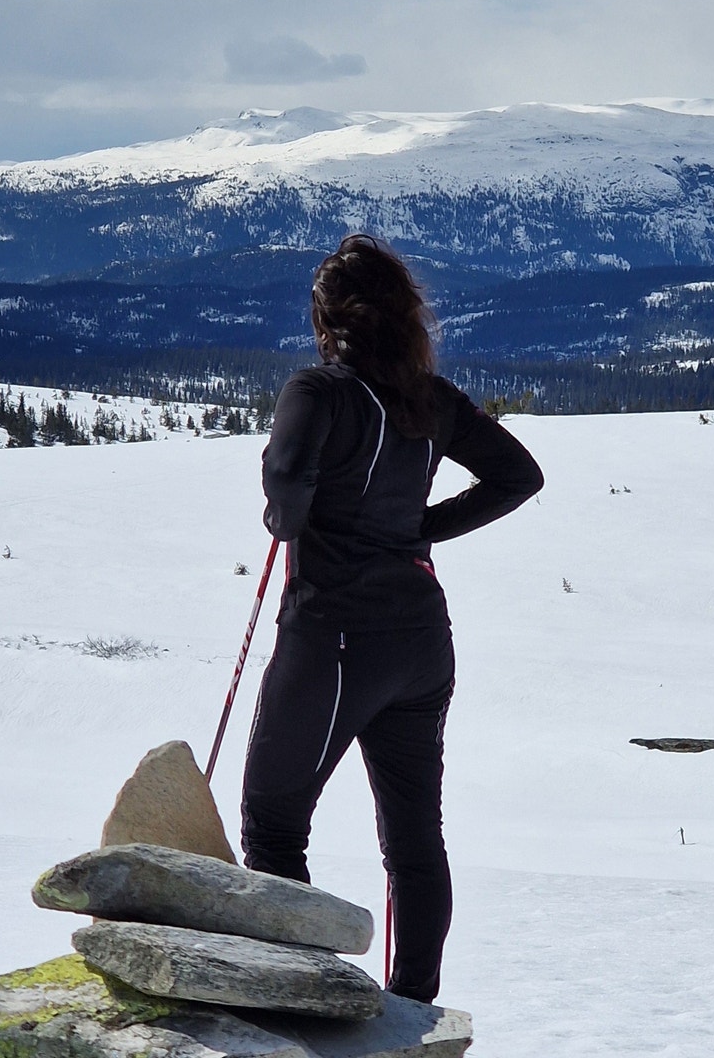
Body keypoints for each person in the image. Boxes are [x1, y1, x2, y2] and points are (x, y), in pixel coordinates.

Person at [240, 233, 543, 1004]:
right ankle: (409, 1016)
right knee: (413, 842)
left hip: (333, 639)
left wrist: (291, 511)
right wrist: (420, 528)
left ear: (329, 318)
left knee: (273, 829)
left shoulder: (317, 391)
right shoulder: (431, 400)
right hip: (421, 642)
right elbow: (518, 475)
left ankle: (298, 1008)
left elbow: (285, 496)